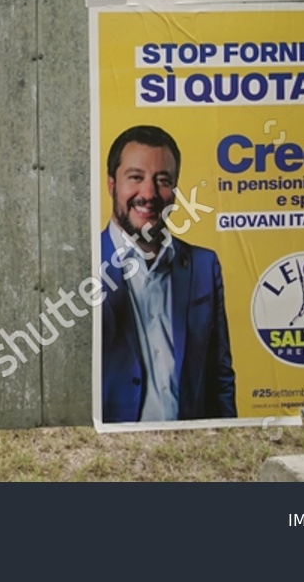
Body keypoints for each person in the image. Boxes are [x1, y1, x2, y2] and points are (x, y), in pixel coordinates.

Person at [99, 124, 236, 422]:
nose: (148, 193)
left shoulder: (203, 265)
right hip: (110, 452)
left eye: (162, 180)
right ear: (112, 184)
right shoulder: (82, 265)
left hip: (188, 449)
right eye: (135, 177)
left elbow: (220, 375)